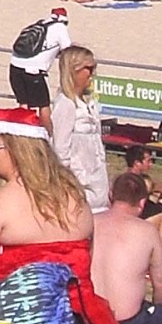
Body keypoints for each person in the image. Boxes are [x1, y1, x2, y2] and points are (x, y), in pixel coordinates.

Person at [0, 107, 124, 324]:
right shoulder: (77, 198)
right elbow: (85, 267)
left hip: (18, 318)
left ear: (18, 150)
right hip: (84, 321)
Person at [90, 169, 162, 324]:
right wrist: (157, 309)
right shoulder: (147, 231)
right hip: (129, 322)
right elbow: (161, 285)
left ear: (110, 195)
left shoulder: (90, 223)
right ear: (142, 203)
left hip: (91, 317)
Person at [48, 45, 107, 216]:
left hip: (98, 184)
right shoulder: (66, 104)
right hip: (79, 186)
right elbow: (60, 150)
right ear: (73, 70)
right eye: (88, 68)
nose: (92, 73)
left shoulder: (89, 103)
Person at [6, 6, 70, 109]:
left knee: (23, 104)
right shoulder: (60, 27)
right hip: (33, 71)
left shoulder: (40, 23)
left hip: (15, 67)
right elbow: (67, 50)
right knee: (43, 105)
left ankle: (24, 124)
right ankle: (46, 126)